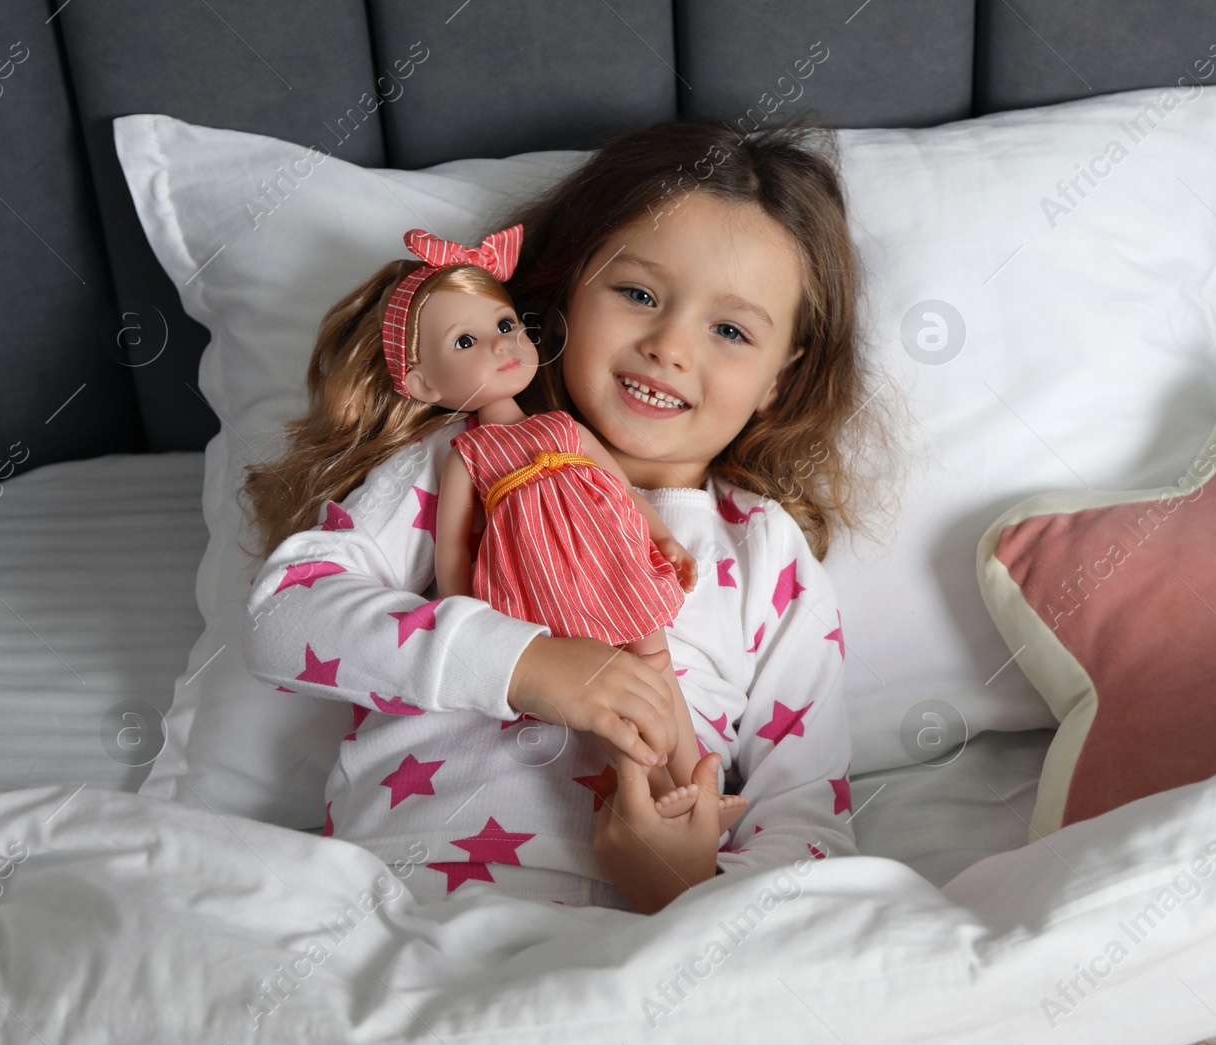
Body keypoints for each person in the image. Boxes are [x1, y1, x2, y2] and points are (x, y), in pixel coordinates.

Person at [239, 114, 904, 914]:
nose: (670, 345)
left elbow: (809, 838)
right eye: (637, 293)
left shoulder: (763, 553)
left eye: (729, 329)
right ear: (565, 294)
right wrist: (526, 665)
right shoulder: (454, 461)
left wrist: (683, 887)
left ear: (780, 382)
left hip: (640, 957)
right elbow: (282, 618)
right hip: (399, 917)